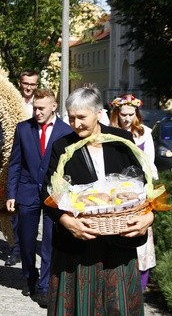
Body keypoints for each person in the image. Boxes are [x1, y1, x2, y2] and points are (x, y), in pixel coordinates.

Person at [42, 86, 155, 315]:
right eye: (71, 118)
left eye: (82, 117)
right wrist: (65, 220)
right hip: (77, 247)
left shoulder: (121, 141)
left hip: (119, 243)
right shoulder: (62, 147)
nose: (76, 124)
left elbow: (143, 187)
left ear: (98, 113)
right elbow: (46, 192)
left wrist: (149, 216)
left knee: (119, 307)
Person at [6, 88, 73, 307]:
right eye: (35, 108)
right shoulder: (24, 129)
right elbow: (15, 163)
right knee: (26, 241)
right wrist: (11, 193)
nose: (37, 112)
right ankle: (30, 275)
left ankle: (45, 285)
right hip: (27, 192)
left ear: (54, 107)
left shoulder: (65, 131)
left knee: (49, 241)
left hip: (54, 193)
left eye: (41, 108)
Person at [110, 93, 158, 292]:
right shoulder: (110, 133)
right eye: (123, 114)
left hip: (139, 191)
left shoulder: (144, 133)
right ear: (117, 114)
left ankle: (140, 284)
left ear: (136, 114)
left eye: (131, 114)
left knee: (141, 235)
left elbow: (150, 164)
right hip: (116, 190)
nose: (127, 118)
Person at [4, 69, 40, 267]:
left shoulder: (39, 104)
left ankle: (25, 248)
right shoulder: (11, 101)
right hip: (13, 152)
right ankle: (15, 248)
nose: (29, 87)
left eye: (33, 84)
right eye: (26, 83)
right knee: (15, 207)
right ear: (20, 83)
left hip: (32, 158)